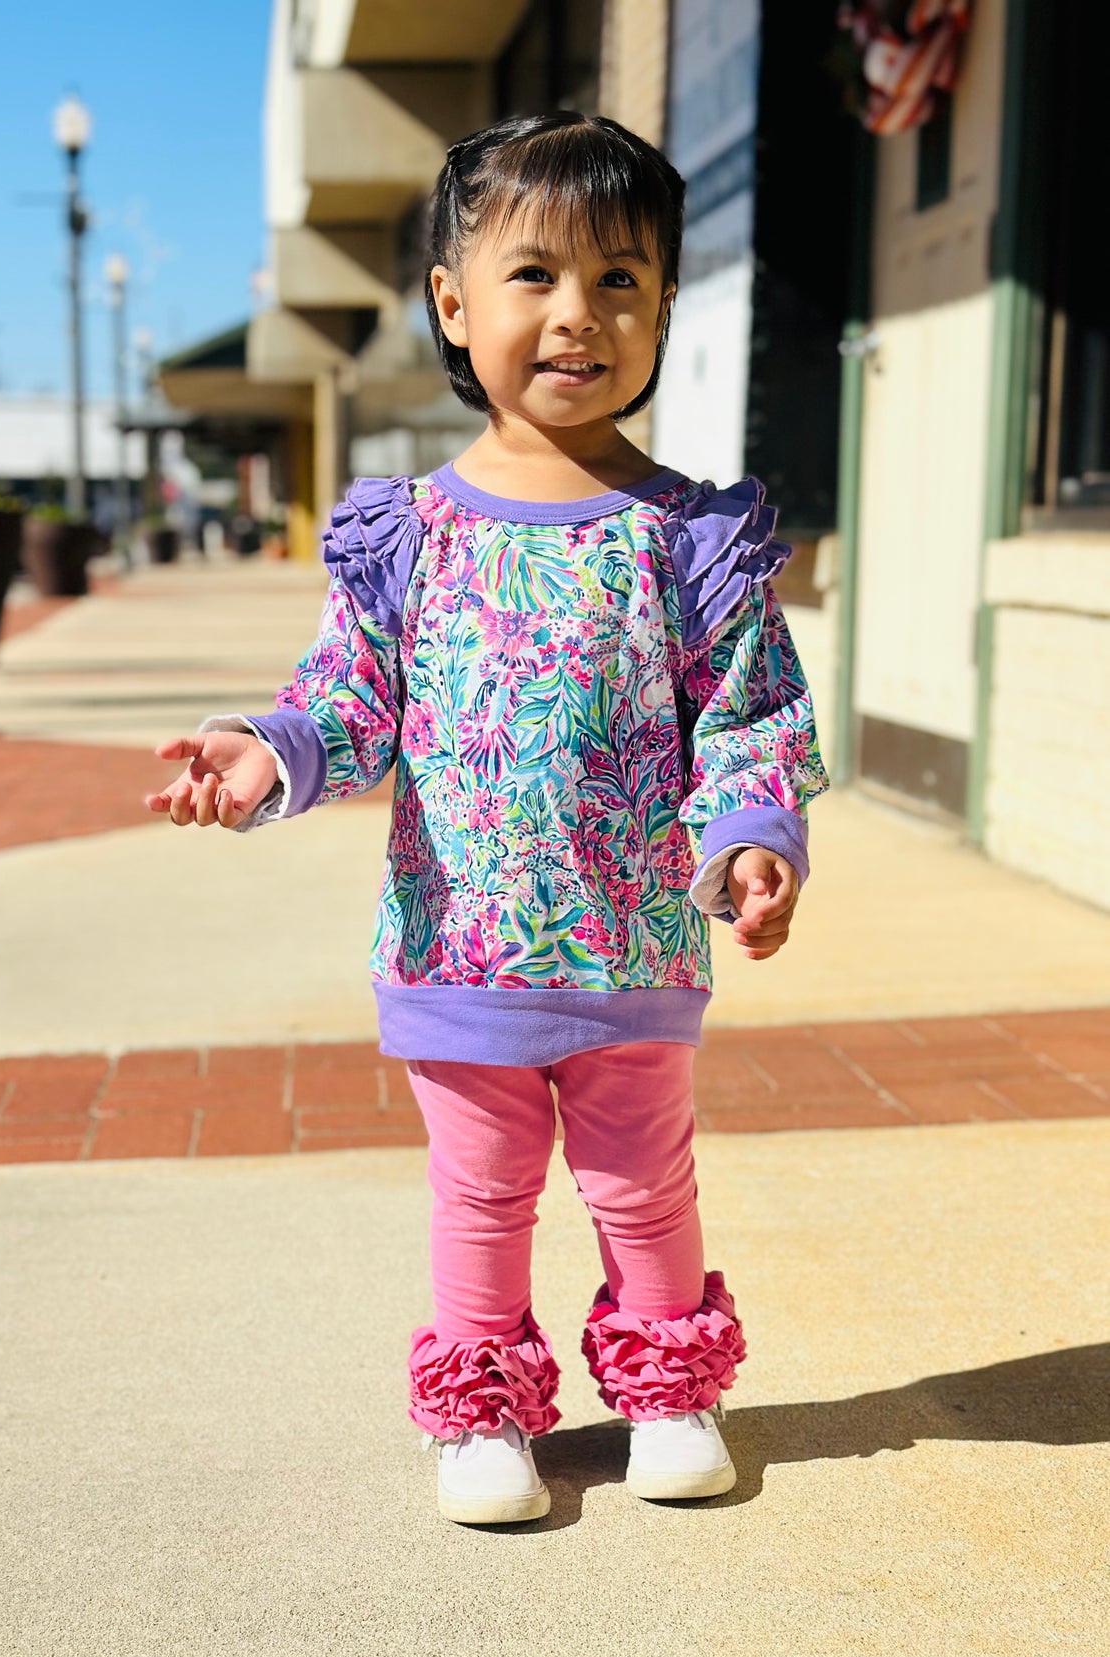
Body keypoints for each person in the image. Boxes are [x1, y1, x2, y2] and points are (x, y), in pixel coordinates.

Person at [145, 112, 828, 1525]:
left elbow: (748, 712)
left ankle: (666, 1389)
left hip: (632, 948)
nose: (576, 316)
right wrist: (261, 757)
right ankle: (483, 1413)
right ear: (452, 303)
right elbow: (348, 703)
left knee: (643, 1185)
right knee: (483, 1191)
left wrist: (751, 833)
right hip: (458, 951)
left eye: (619, 280)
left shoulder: (687, 536)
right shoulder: (408, 533)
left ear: (660, 306)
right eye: (533, 277)